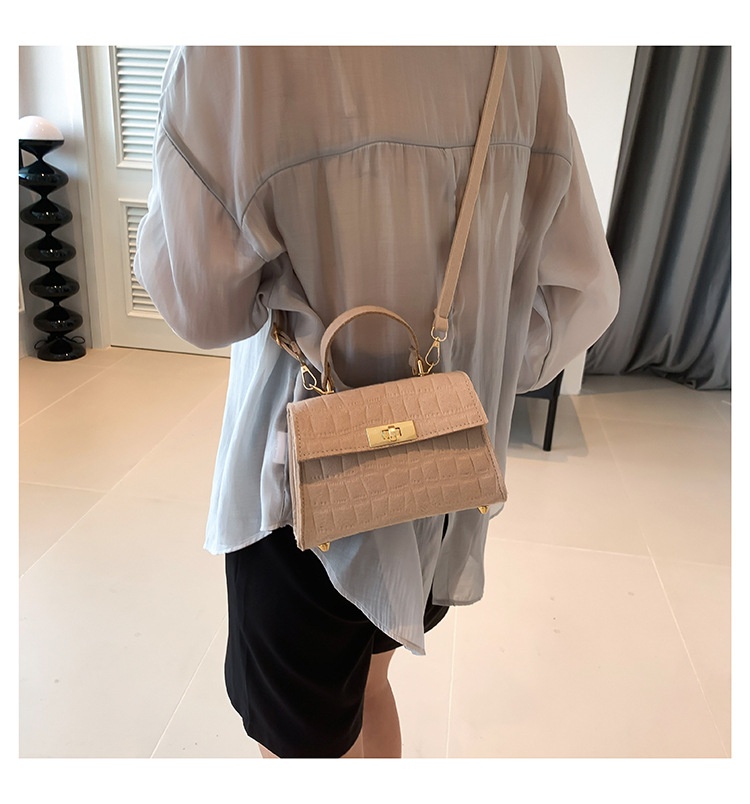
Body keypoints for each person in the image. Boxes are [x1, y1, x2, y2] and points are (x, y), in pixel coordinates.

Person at [134, 46, 620, 759]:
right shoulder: (520, 47)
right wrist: (463, 368)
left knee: (300, 746)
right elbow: (574, 296)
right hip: (438, 477)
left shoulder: (236, 48)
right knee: (370, 688)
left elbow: (201, 306)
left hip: (300, 495)